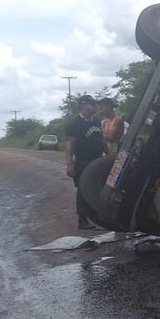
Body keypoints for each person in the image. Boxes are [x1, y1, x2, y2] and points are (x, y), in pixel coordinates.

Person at [65, 95, 105, 229]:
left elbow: (102, 141)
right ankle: (82, 220)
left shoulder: (97, 121)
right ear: (84, 105)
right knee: (83, 191)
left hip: (98, 161)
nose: (95, 107)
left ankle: (98, 217)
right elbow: (70, 144)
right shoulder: (75, 123)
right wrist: (69, 164)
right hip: (83, 161)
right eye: (92, 104)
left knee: (98, 189)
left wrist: (112, 156)